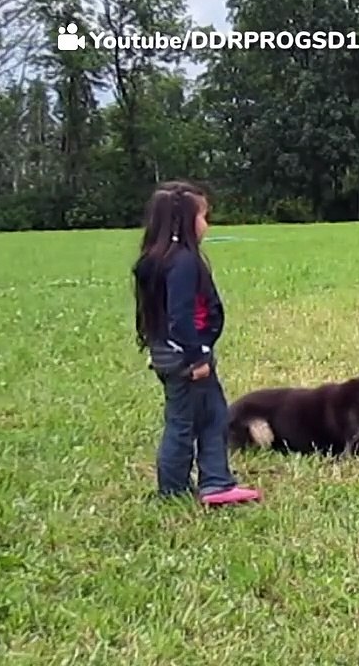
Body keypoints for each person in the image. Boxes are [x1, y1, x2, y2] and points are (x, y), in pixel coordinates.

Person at [132, 181, 262, 506]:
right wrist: (196, 357)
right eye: (203, 216)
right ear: (183, 222)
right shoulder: (184, 263)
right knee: (192, 422)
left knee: (206, 416)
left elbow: (157, 314)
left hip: (169, 353)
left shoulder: (155, 259)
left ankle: (205, 482)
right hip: (188, 358)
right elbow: (180, 316)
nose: (207, 224)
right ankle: (189, 487)